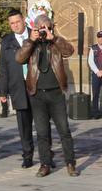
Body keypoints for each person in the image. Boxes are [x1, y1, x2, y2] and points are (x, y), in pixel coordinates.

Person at [16, 13, 78, 177]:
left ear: (51, 28)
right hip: (37, 95)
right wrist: (31, 40)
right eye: (40, 28)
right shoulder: (30, 44)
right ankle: (45, 164)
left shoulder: (55, 43)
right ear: (35, 29)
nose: (44, 31)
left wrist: (53, 37)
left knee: (64, 130)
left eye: (47, 28)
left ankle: (70, 163)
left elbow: (69, 51)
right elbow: (19, 58)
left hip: (56, 94)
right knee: (42, 132)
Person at [0, 9, 34, 167]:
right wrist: (2, 91)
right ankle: (27, 155)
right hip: (18, 87)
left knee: (42, 123)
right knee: (23, 126)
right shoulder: (6, 41)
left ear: (23, 20)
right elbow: (3, 67)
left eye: (17, 21)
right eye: (12, 23)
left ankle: (47, 156)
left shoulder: (35, 35)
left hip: (37, 87)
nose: (15, 25)